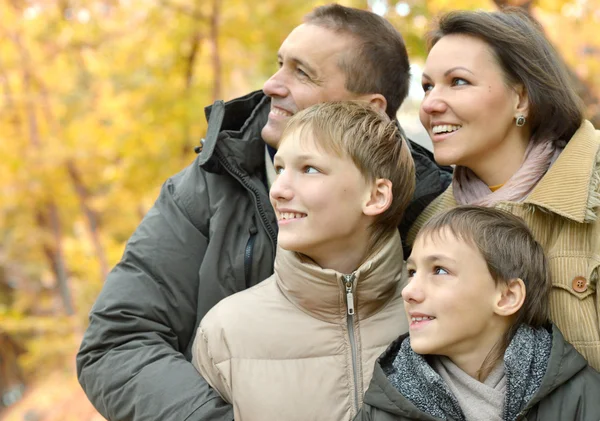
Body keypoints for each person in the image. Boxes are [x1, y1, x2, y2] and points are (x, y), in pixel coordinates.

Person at [76, 4, 452, 420]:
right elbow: (117, 342)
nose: (272, 84)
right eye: (279, 64)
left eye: (302, 72)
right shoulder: (206, 188)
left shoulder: (436, 204)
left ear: (369, 107)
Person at [192, 100, 414, 421]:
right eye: (280, 169)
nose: (278, 190)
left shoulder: (436, 316)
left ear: (376, 196)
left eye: (309, 169)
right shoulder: (224, 331)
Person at [406, 8, 600, 370]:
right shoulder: (426, 227)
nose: (430, 104)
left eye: (458, 81)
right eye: (428, 86)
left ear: (521, 99)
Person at [356, 206, 600, 421]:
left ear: (507, 297)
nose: (408, 291)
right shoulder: (383, 408)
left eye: (439, 270)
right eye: (411, 272)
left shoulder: (584, 397)